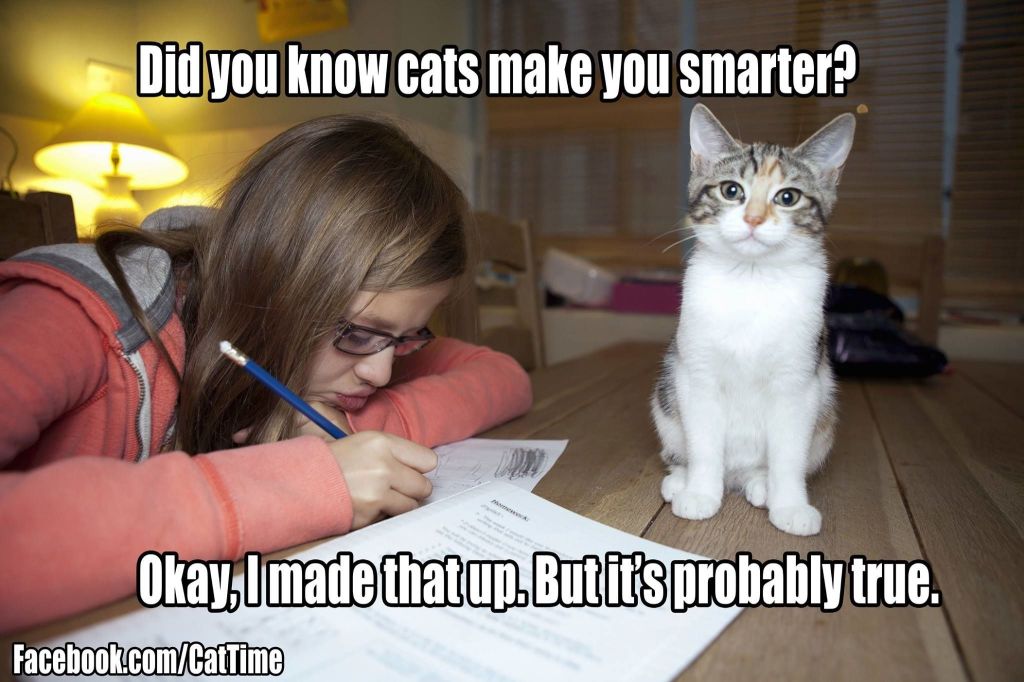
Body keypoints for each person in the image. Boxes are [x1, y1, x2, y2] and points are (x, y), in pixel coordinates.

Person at [0, 115, 532, 633]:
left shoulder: (345, 350)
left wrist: (364, 427)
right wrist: (302, 483)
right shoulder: (73, 317)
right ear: (274, 286)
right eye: (359, 334)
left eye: (405, 338)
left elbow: (502, 375)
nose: (380, 371)